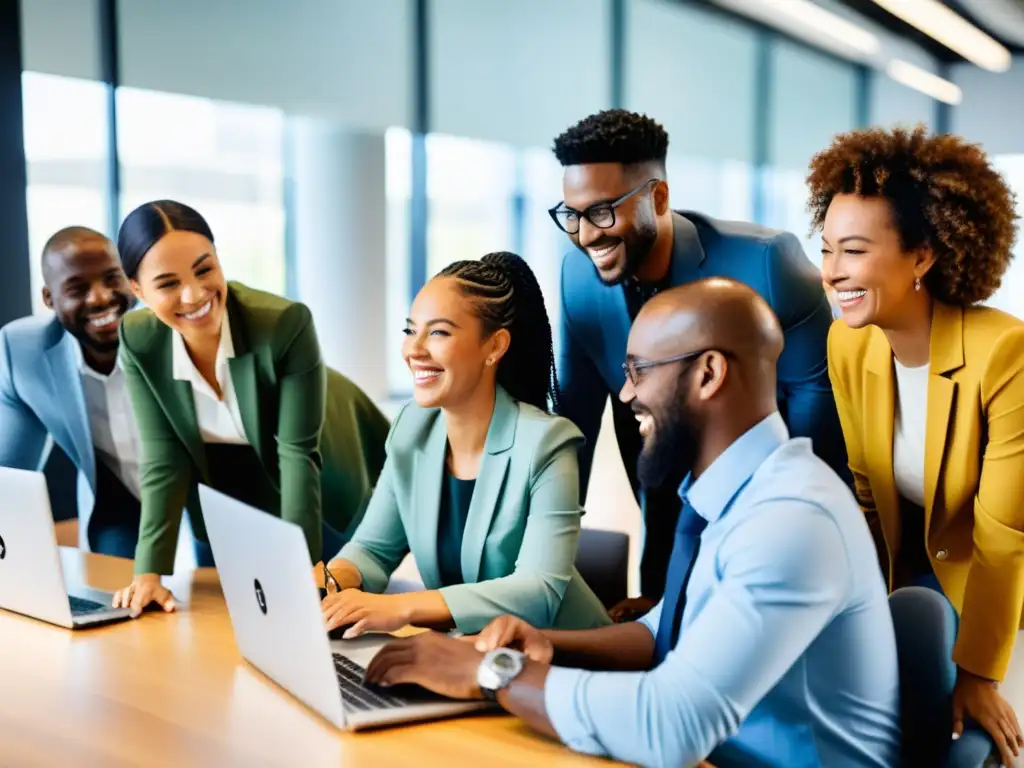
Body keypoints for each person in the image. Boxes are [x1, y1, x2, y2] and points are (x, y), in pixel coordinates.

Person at [358, 278, 900, 767]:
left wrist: (492, 675)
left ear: (708, 373)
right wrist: (541, 644)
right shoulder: (743, 493)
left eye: (639, 371)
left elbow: (672, 725)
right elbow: (665, 631)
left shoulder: (790, 520)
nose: (625, 395)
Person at [549, 109, 846, 621]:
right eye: (571, 215)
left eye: (601, 212)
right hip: (660, 490)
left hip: (764, 497)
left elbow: (813, 434)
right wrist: (543, 556)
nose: (586, 235)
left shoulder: (767, 263)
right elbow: (571, 427)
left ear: (658, 197)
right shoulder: (578, 277)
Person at [812, 125, 1024, 763]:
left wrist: (980, 675)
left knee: (961, 743)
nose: (832, 273)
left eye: (852, 251)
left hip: (995, 585)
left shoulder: (1005, 353)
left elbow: (1002, 535)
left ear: (923, 256)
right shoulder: (848, 342)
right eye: (825, 250)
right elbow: (870, 495)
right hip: (915, 578)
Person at [109, 200, 390, 616]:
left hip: (314, 479)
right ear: (137, 290)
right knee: (229, 619)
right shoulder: (138, 338)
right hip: (226, 486)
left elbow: (297, 454)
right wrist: (148, 575)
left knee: (321, 617)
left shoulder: (283, 323)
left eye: (205, 269)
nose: (194, 294)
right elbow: (163, 458)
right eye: (167, 284)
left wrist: (299, 567)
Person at [319, 252, 610, 636]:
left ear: (495, 346)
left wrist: (402, 608)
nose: (414, 350)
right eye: (410, 330)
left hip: (568, 660)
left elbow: (538, 593)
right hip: (473, 658)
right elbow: (373, 549)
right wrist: (331, 583)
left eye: (438, 332)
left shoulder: (546, 443)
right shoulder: (412, 429)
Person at [0, 226, 177, 558]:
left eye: (113, 278)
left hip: (202, 489)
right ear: (49, 299)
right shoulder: (22, 352)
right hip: (118, 501)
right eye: (77, 288)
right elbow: (7, 480)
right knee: (116, 600)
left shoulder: (176, 332)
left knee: (225, 593)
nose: (100, 297)